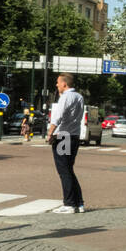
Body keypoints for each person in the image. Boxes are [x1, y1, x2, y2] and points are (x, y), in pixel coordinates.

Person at [46, 73, 85, 214]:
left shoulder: (65, 97)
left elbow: (57, 117)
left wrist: (50, 133)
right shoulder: (79, 97)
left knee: (64, 171)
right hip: (74, 135)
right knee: (69, 170)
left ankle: (69, 204)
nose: (56, 85)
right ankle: (79, 203)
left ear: (64, 84)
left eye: (57, 82)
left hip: (63, 136)